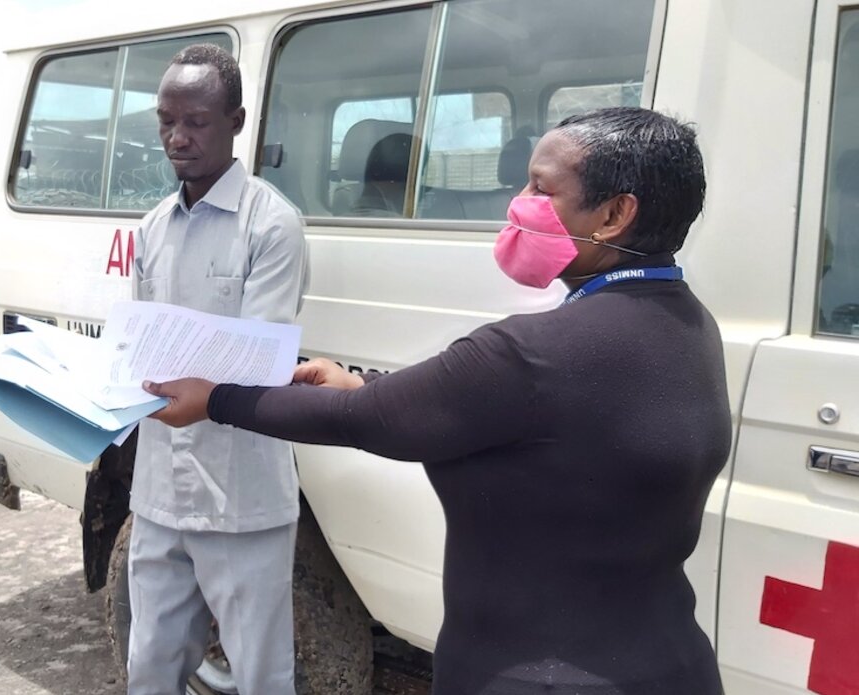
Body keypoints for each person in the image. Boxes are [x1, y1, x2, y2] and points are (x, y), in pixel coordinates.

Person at [143, 107, 730, 695]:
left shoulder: (533, 352)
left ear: (613, 214)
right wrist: (365, 386)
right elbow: (475, 412)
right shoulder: (688, 325)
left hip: (535, 676)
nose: (517, 202)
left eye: (540, 188)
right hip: (674, 665)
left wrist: (215, 398)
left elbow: (364, 420)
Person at [126, 44, 309, 694]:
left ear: (236, 119)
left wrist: (193, 379)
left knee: (261, 675)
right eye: (166, 120)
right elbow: (141, 342)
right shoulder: (151, 227)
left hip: (241, 497)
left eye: (196, 121)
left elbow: (256, 360)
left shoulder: (272, 225)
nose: (177, 137)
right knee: (150, 666)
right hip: (158, 491)